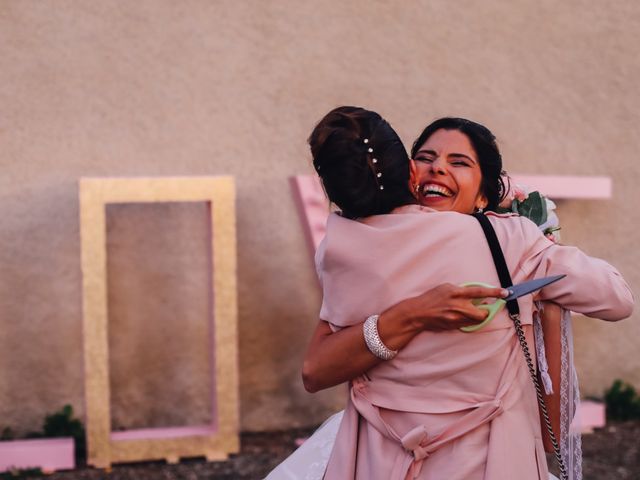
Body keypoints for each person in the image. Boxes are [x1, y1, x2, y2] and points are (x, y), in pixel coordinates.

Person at [268, 107, 633, 480]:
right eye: (426, 158)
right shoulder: (511, 240)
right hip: (477, 462)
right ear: (410, 174)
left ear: (483, 194)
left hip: (382, 463)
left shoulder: (345, 247)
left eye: (458, 162)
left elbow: (314, 371)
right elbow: (617, 297)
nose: (438, 167)